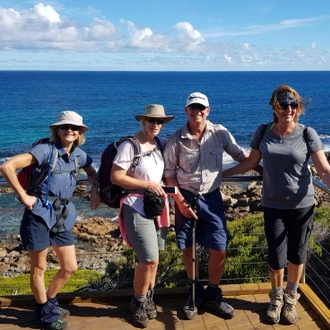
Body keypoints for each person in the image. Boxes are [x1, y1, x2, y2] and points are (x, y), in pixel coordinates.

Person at [222, 84, 330, 325]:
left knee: (297, 253)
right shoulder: (263, 132)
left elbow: (323, 169)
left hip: (302, 204)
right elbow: (250, 163)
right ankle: (276, 298)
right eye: (283, 104)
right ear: (275, 106)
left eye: (292, 104)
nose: (288, 109)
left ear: (298, 107)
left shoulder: (307, 133)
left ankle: (291, 297)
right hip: (272, 205)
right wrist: (221, 174)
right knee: (276, 255)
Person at [0, 110, 100, 330]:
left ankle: (49, 300)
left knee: (70, 267)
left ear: (80, 132)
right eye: (65, 127)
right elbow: (7, 166)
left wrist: (95, 189)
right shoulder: (46, 150)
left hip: (63, 216)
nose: (70, 131)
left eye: (74, 128)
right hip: (39, 216)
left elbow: (93, 174)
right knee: (39, 268)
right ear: (57, 130)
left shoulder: (79, 155)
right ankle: (45, 312)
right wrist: (23, 196)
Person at [163, 92, 247, 320]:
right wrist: (178, 201)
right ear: (186, 110)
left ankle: (213, 292)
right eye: (193, 107)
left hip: (212, 197)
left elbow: (241, 156)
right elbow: (169, 175)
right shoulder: (175, 140)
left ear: (208, 110)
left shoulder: (220, 133)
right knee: (188, 248)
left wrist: (266, 171)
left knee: (220, 246)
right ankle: (194, 291)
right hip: (185, 197)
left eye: (201, 108)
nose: (197, 111)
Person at [110, 104, 174, 328]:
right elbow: (116, 176)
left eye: (160, 121)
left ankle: (148, 299)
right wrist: (147, 184)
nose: (156, 125)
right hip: (136, 206)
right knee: (149, 259)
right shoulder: (130, 145)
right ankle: (137, 302)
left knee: (154, 261)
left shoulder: (159, 144)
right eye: (152, 121)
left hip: (156, 207)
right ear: (143, 122)